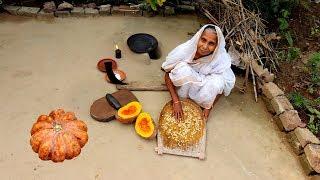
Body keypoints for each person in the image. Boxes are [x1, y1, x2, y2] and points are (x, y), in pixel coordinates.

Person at [162, 24, 236, 121]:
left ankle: (202, 101)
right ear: (198, 38)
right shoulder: (185, 51)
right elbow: (167, 74)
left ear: (216, 46)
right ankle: (183, 96)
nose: (205, 46)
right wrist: (176, 101)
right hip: (187, 84)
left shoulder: (220, 59)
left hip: (204, 82)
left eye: (211, 43)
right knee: (183, 70)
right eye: (203, 40)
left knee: (218, 81)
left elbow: (224, 85)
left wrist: (208, 107)